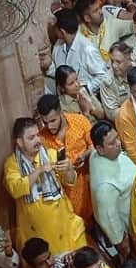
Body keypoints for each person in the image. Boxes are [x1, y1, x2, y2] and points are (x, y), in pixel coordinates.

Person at [4, 117, 87, 254]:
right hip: (39, 234)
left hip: (66, 226)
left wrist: (68, 169)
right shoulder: (12, 164)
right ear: (19, 142)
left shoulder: (51, 154)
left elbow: (70, 181)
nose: (37, 140)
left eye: (38, 135)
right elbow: (16, 189)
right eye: (31, 138)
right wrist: (40, 170)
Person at [37, 93, 95, 221]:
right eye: (45, 122)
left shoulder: (80, 121)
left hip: (90, 188)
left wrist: (85, 155)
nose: (49, 126)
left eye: (53, 121)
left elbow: (95, 145)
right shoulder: (41, 139)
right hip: (67, 203)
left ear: (61, 112)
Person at [89, 120, 136, 258]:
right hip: (135, 227)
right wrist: (123, 246)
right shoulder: (105, 187)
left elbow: (90, 151)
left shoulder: (95, 154)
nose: (118, 143)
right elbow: (110, 219)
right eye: (112, 143)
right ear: (100, 149)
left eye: (117, 137)